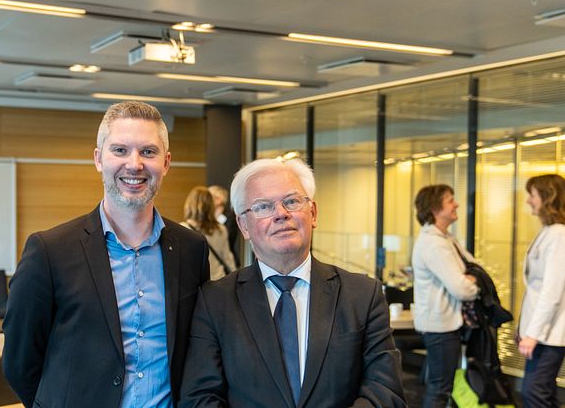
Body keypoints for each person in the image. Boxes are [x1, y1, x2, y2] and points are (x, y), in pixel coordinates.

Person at [2, 101, 210, 408]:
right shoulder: (49, 251)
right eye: (120, 150)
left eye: (148, 152)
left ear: (166, 163)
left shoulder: (191, 249)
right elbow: (20, 362)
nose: (135, 164)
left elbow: (196, 349)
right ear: (99, 159)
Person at [179, 158, 406, 408]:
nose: (281, 214)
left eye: (291, 201)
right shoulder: (215, 302)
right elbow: (199, 398)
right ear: (244, 225)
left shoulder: (363, 295)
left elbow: (385, 392)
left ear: (313, 213)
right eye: (263, 206)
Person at [411, 184, 479, 408]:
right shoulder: (433, 244)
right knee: (440, 389)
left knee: (443, 387)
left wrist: (472, 277)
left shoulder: (447, 239)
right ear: (435, 208)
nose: (456, 204)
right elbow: (462, 288)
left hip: (447, 325)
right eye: (451, 200)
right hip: (439, 327)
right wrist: (471, 281)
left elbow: (477, 269)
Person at [518, 174, 565, 407]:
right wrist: (525, 329)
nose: (528, 201)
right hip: (544, 330)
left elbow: (551, 292)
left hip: (552, 332)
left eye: (532, 195)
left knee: (534, 392)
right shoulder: (550, 232)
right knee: (543, 392)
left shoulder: (559, 236)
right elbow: (536, 289)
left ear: (548, 198)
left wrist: (532, 334)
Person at [181, 186, 237, 280]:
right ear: (211, 206)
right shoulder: (220, 229)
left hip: (196, 283)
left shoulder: (182, 229)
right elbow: (228, 259)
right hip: (219, 282)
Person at [208, 185, 241, 267]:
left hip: (226, 262)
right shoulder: (207, 217)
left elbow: (229, 239)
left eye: (209, 197)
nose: (206, 201)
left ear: (218, 199)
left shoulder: (230, 216)